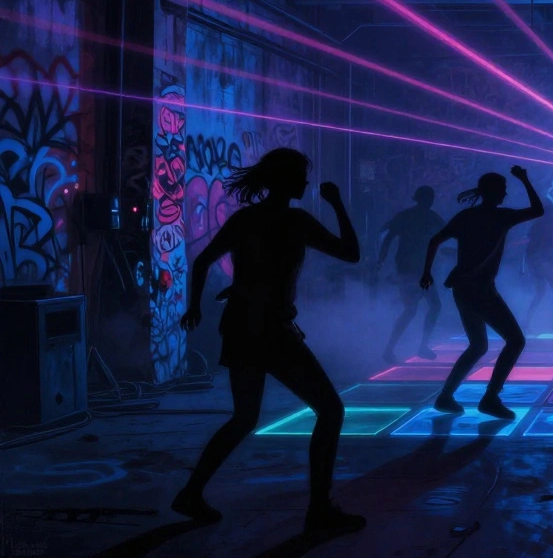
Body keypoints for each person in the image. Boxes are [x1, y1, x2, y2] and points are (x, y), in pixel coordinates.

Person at [171, 148, 364, 532]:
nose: (306, 183)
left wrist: (196, 306)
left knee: (244, 417)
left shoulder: (247, 219)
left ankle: (191, 493)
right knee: (330, 410)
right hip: (270, 331)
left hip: (241, 326)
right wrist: (338, 203)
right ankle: (320, 509)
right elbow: (351, 254)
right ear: (286, 179)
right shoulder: (296, 221)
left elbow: (203, 260)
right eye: (301, 176)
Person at [421, 167, 543, 420]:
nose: (506, 193)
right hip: (480, 289)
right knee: (516, 341)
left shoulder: (466, 216)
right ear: (495, 192)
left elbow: (434, 241)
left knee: (478, 346)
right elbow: (537, 210)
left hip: (462, 289)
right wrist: (524, 179)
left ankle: (445, 397)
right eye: (503, 189)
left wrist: (426, 272)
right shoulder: (502, 217)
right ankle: (490, 398)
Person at [378, 186, 446, 362]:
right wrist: (381, 261)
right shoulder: (414, 216)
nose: (430, 201)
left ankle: (412, 347)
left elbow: (387, 238)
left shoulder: (419, 216)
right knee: (415, 309)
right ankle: (394, 349)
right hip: (410, 269)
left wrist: (382, 260)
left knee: (424, 307)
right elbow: (387, 238)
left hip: (419, 269)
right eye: (428, 197)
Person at [523, 198, 553, 330]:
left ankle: (528, 322)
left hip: (534, 260)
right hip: (541, 260)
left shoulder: (539, 223)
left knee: (540, 292)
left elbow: (535, 242)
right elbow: (546, 243)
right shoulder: (547, 222)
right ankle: (552, 322)